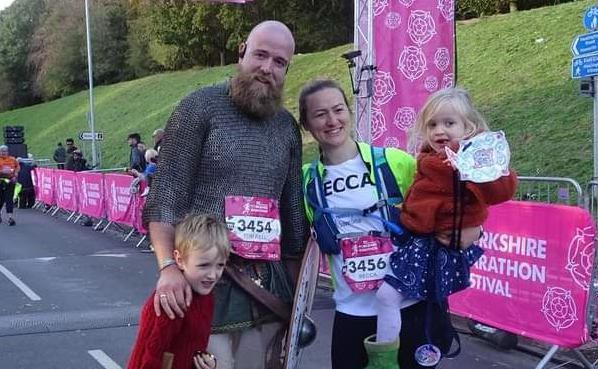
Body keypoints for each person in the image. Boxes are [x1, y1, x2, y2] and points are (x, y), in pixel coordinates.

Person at [143, 20, 309, 369]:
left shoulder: (287, 128)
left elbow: (293, 221)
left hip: (268, 286)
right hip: (206, 279)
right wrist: (169, 268)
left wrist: (299, 294)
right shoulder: (199, 108)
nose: (267, 68)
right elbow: (165, 196)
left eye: (279, 62)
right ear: (241, 53)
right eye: (260, 55)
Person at [299, 80, 483, 369]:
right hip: (351, 313)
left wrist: (474, 230)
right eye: (320, 114)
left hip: (410, 307)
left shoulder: (395, 161)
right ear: (307, 124)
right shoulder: (305, 181)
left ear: (348, 112)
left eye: (338, 109)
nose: (332, 120)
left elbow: (455, 200)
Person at [374, 87, 518, 367]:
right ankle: (411, 352)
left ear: (468, 127)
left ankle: (385, 360)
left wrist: (491, 165)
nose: (440, 130)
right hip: (422, 241)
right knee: (417, 306)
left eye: (449, 123)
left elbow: (501, 189)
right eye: (433, 124)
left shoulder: (467, 160)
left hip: (434, 246)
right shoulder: (428, 159)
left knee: (390, 296)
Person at [127, 214, 230, 369]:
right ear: (180, 260)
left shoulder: (206, 297)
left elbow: (191, 349)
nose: (212, 275)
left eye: (220, 265)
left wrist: (207, 363)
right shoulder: (172, 300)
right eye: (203, 265)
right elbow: (150, 357)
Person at [0, 145, 20, 226]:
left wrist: (15, 175)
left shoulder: (12, 159)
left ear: (8, 152)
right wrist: (2, 171)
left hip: (10, 181)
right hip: (0, 181)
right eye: (1, 151)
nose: (3, 152)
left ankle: (10, 218)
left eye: (5, 151)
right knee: (1, 199)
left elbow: (17, 167)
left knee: (9, 199)